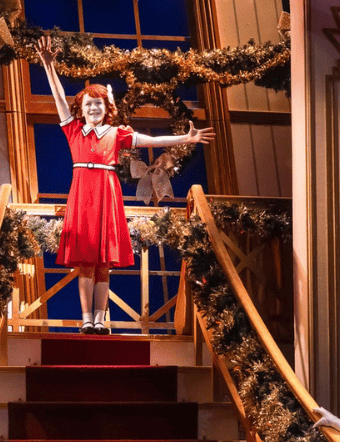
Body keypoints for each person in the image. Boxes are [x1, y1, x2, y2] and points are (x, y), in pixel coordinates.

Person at [36, 35, 215, 333]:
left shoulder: (116, 134)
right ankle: (86, 319)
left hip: (106, 193)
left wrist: (186, 137)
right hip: (82, 194)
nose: (94, 108)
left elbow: (151, 140)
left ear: (107, 107)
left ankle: (99, 318)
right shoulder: (74, 131)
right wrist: (47, 66)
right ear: (82, 108)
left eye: (99, 104)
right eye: (89, 104)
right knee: (86, 263)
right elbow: (58, 99)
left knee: (103, 263)